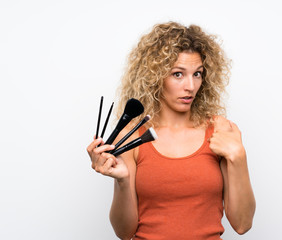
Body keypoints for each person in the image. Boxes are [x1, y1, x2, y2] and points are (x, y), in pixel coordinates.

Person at [87, 21, 256, 240]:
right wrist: (122, 180)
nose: (191, 86)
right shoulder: (131, 136)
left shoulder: (220, 131)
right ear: (155, 77)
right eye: (178, 74)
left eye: (197, 74)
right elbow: (124, 231)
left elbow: (242, 224)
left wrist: (239, 157)